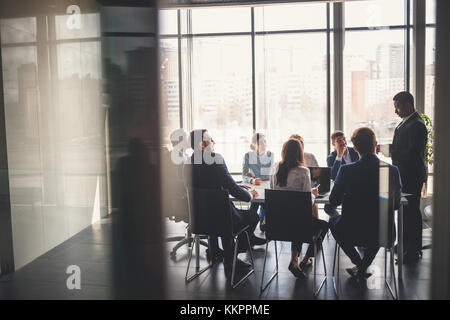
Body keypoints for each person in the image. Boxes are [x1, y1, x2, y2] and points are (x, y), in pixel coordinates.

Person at [186, 129, 266, 275]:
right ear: (202, 145)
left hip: (200, 219)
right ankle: (231, 258)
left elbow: (212, 183)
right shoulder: (215, 159)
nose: (214, 142)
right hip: (222, 218)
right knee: (252, 216)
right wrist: (249, 196)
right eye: (211, 140)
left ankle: (215, 251)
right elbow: (232, 188)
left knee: (221, 215)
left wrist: (234, 185)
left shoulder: (188, 163)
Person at [329, 127, 402, 280]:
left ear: (355, 148)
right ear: (376, 144)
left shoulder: (346, 171)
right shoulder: (391, 171)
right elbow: (395, 205)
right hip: (384, 232)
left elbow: (333, 201)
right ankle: (362, 267)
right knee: (377, 225)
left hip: (352, 231)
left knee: (333, 221)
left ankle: (359, 264)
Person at [270, 139, 329, 278]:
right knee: (323, 225)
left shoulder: (274, 167)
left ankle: (294, 260)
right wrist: (313, 194)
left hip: (278, 224)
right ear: (300, 153)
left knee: (297, 218)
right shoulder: (303, 172)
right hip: (299, 223)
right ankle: (305, 258)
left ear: (283, 152)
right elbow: (307, 203)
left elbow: (273, 193)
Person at [388, 91, 427, 263]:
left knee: (412, 212)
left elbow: (413, 153)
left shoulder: (417, 125)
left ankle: (413, 250)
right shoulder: (405, 123)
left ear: (408, 105)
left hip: (412, 175)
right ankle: (404, 243)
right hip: (404, 174)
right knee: (404, 211)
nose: (395, 111)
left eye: (397, 107)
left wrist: (390, 152)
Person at [242, 133, 274, 232]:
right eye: (261, 142)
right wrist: (252, 180)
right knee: (258, 199)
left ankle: (251, 223)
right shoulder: (247, 155)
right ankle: (259, 220)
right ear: (254, 144)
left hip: (266, 185)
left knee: (263, 198)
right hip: (254, 185)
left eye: (265, 142)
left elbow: (269, 174)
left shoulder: (270, 155)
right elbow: (244, 175)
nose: (264, 144)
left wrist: (254, 177)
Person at [324, 131, 360, 217]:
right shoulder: (331, 158)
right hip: (342, 188)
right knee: (328, 207)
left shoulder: (355, 151)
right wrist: (339, 156)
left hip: (357, 186)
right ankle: (339, 219)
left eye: (344, 139)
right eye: (339, 140)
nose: (343, 142)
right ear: (333, 143)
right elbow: (333, 176)